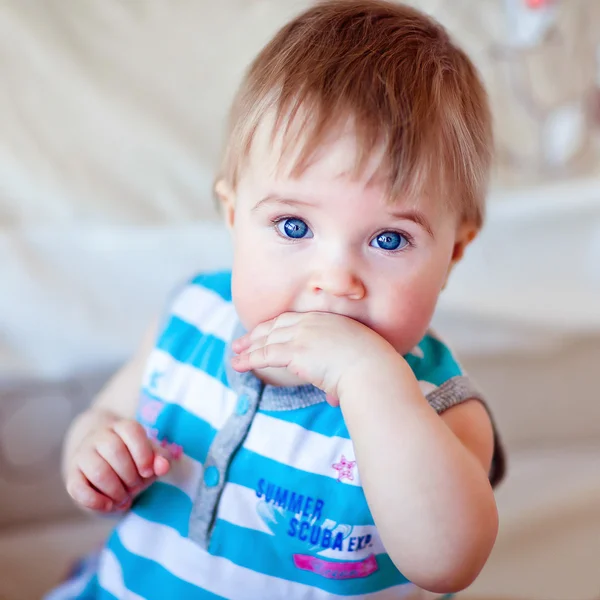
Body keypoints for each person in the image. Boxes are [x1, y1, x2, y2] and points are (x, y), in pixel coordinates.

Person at [49, 1, 505, 598]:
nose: (335, 280)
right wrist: (96, 452)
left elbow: (447, 560)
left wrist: (371, 378)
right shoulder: (191, 316)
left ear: (452, 254)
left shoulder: (441, 410)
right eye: (294, 227)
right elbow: (105, 416)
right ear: (235, 215)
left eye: (389, 239)